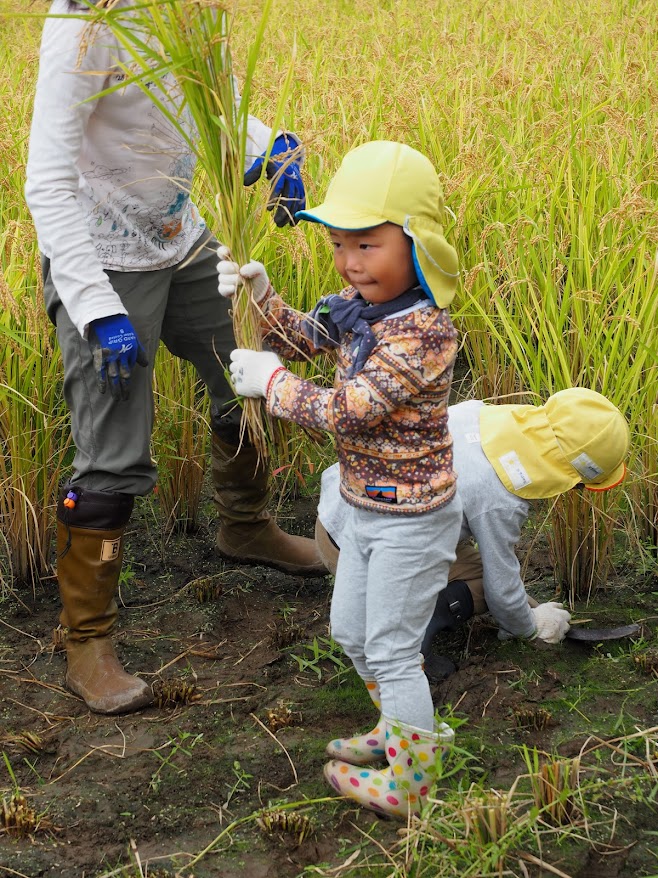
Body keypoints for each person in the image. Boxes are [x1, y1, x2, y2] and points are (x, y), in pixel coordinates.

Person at [24, 0, 325, 717]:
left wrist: (268, 146)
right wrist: (95, 307)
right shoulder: (83, 27)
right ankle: (86, 641)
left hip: (181, 237)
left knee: (245, 374)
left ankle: (245, 526)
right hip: (103, 259)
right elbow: (47, 180)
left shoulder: (189, 11)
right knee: (114, 455)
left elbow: (208, 103)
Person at [223, 140, 464, 819]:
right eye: (338, 245)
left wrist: (273, 385)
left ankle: (413, 782)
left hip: (412, 522)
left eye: (367, 245)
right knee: (352, 634)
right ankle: (399, 730)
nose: (350, 262)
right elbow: (303, 338)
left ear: (416, 245)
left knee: (391, 649)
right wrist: (261, 297)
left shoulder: (423, 333)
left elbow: (351, 411)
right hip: (362, 508)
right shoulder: (355, 306)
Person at [315, 387, 630, 679]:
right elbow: (501, 590)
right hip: (357, 553)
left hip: (334, 518)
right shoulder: (501, 497)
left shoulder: (478, 413)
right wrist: (532, 627)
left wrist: (526, 608)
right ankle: (402, 644)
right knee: (481, 584)